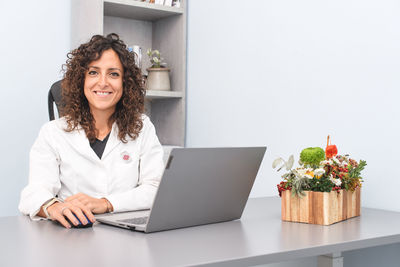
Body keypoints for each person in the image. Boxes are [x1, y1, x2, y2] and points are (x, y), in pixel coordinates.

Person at [18, 33, 164, 229]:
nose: (103, 82)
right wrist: (53, 207)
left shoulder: (142, 127)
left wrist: (106, 203)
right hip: (70, 238)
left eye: (113, 74)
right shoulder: (53, 132)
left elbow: (156, 188)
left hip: (125, 234)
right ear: (81, 80)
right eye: (93, 72)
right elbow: (34, 192)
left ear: (125, 83)